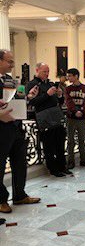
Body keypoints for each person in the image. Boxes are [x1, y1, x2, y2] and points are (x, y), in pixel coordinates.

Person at [0, 50, 40, 214]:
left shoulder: (10, 79)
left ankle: (20, 195)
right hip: (1, 128)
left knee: (19, 163)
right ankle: (1, 200)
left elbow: (15, 99)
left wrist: (28, 97)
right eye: (9, 61)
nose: (12, 64)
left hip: (16, 127)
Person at [26, 63, 70, 178]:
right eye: (44, 71)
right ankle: (53, 169)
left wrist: (59, 95)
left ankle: (62, 166)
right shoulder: (32, 84)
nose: (46, 74)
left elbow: (58, 102)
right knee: (49, 145)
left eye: (48, 71)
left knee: (60, 143)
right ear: (37, 70)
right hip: (44, 118)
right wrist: (47, 94)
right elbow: (32, 102)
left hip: (56, 116)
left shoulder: (50, 83)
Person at [65, 68, 85, 170]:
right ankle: (70, 161)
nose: (68, 78)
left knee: (82, 139)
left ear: (76, 76)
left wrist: (81, 111)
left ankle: (83, 159)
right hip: (71, 118)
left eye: (70, 76)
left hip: (82, 118)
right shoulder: (67, 89)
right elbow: (68, 102)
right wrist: (75, 111)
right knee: (70, 140)